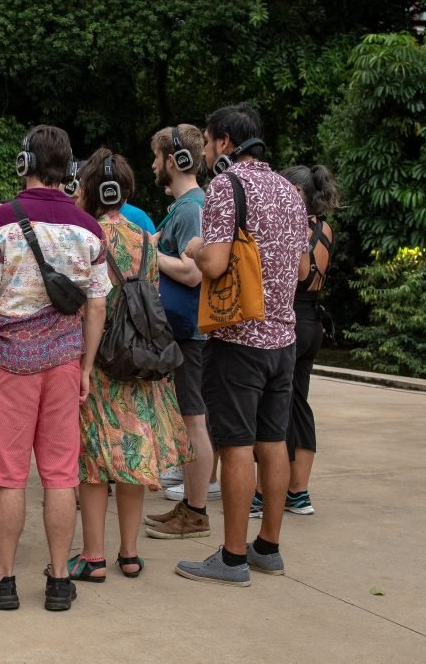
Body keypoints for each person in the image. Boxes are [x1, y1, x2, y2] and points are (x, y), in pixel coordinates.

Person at [0, 125, 108, 611]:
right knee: (61, 474)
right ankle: (60, 580)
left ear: (24, 164)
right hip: (65, 364)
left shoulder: (1, 220)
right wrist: (86, 365)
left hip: (9, 363)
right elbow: (96, 307)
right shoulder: (90, 227)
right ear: (68, 170)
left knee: (8, 475)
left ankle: (3, 580)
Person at [176, 103, 309, 586]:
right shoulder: (291, 193)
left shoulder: (226, 188)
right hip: (284, 339)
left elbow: (211, 265)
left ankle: (231, 558)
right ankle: (267, 548)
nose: (207, 152)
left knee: (234, 445)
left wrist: (192, 248)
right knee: (272, 441)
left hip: (237, 339)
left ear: (226, 142)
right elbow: (299, 271)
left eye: (210, 142)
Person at [66, 149, 190, 582]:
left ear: (90, 189)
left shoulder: (83, 238)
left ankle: (94, 556)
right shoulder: (145, 239)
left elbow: (83, 305)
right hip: (139, 362)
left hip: (96, 362)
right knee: (132, 455)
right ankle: (131, 554)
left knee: (95, 462)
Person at [143, 124, 219, 540]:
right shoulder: (183, 207)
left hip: (189, 333)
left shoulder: (191, 209)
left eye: (158, 157)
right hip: (182, 332)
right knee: (190, 420)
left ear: (176, 160)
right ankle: (190, 505)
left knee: (194, 421)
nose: (154, 165)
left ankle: (196, 512)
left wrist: (149, 254)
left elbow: (192, 272)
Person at [262, 164, 337, 516]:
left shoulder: (290, 227)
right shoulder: (325, 229)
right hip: (314, 324)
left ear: (295, 191)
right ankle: (298, 493)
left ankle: (263, 493)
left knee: (273, 407)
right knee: (299, 405)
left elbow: (290, 275)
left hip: (289, 319)